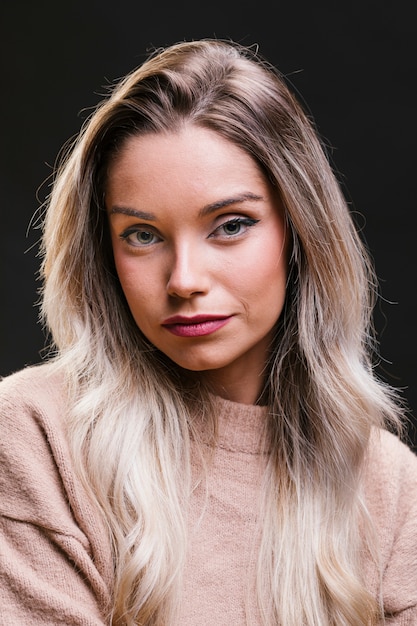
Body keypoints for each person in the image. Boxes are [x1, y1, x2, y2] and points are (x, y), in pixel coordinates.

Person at [0, 38, 416, 626]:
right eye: (142, 235)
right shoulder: (34, 434)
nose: (184, 280)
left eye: (230, 225)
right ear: (104, 252)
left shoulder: (389, 486)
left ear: (299, 233)